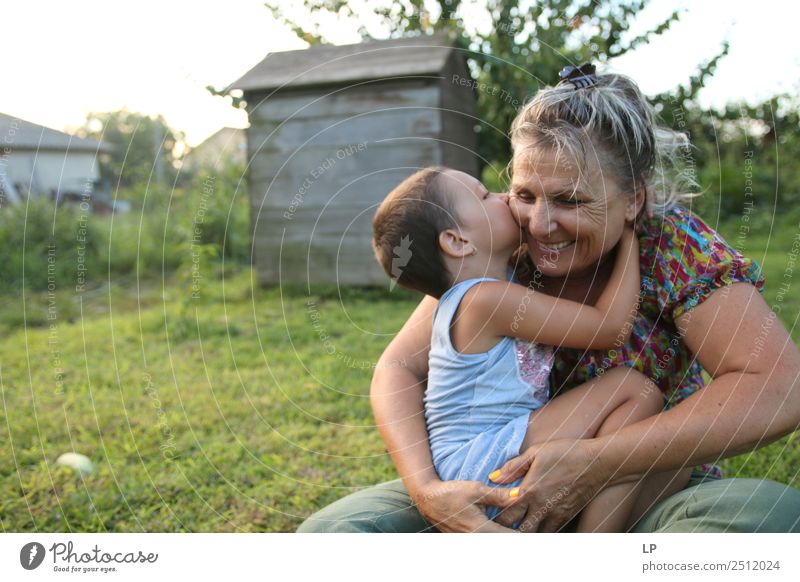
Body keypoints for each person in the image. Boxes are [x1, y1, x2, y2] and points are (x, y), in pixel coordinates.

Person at [297, 66, 800, 533]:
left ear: (633, 200)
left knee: (767, 519)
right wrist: (428, 490)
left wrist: (596, 462)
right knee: (335, 535)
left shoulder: (674, 248)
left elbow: (779, 387)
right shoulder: (497, 250)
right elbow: (398, 369)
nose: (540, 225)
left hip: (639, 490)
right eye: (524, 193)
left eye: (571, 200)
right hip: (498, 483)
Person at [370, 165, 689, 531]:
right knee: (632, 389)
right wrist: (628, 233)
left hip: (486, 457)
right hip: (479, 466)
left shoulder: (483, 287)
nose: (504, 196)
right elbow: (610, 327)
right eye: (484, 196)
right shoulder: (484, 300)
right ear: (457, 242)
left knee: (672, 468)